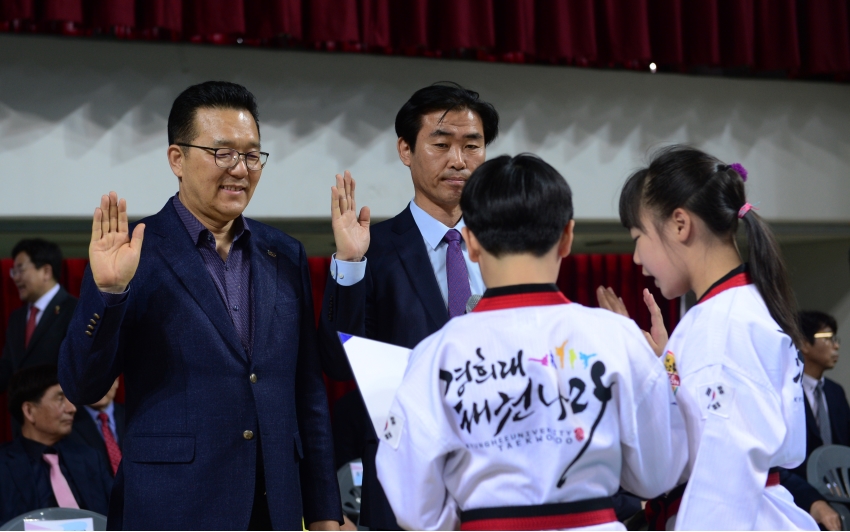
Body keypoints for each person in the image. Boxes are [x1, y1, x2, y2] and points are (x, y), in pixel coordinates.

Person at [58, 81, 341, 530]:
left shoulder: (284, 253)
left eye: (252, 155)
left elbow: (308, 391)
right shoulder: (136, 251)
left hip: (274, 507)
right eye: (222, 153)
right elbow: (81, 385)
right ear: (177, 158)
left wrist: (325, 510)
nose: (241, 169)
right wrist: (109, 293)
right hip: (172, 507)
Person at [375, 154, 686, 530]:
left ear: (471, 242)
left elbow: (412, 503)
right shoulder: (615, 336)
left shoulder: (437, 354)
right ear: (567, 237)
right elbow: (658, 473)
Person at [318, 82, 499, 529]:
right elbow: (338, 363)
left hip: (500, 479)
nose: (458, 160)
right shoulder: (371, 249)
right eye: (441, 144)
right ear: (406, 150)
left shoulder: (507, 248)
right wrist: (351, 264)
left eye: (472, 146)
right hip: (404, 482)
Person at [612, 145, 816, 529]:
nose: (637, 258)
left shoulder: (723, 324)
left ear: (679, 224)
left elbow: (724, 481)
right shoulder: (733, 310)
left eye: (638, 237)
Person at [0, 365, 111, 523]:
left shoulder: (89, 458)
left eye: (70, 400)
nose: (72, 409)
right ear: (29, 411)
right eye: (60, 399)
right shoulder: (4, 467)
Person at [1, 239, 77, 393]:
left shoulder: (74, 310)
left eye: (20, 270)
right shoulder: (17, 317)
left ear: (46, 272)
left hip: (60, 412)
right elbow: (7, 369)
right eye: (13, 271)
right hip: (22, 415)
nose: (15, 278)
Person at [795, 311, 849, 472]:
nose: (836, 345)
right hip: (801, 485)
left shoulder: (835, 391)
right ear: (804, 344)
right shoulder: (788, 390)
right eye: (827, 338)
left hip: (840, 484)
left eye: (835, 339)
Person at [69, 378, 124, 477]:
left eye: (103, 381)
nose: (97, 388)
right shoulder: (69, 423)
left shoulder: (136, 416)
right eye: (90, 381)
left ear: (116, 382)